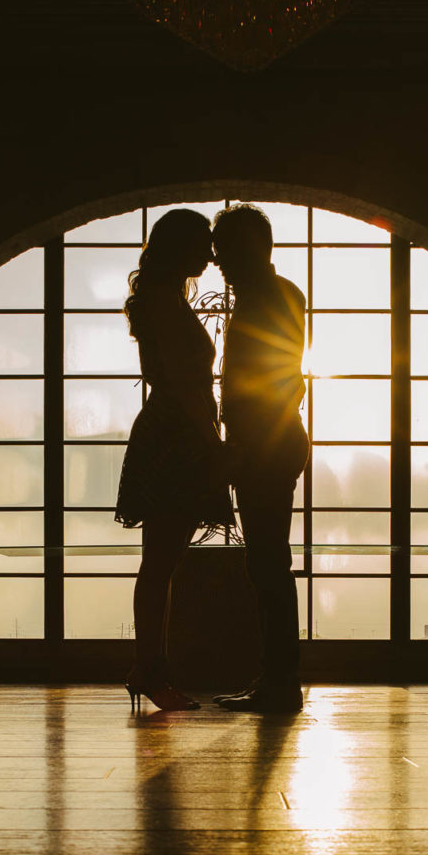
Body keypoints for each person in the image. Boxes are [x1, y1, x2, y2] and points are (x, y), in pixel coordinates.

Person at [116, 208, 233, 712]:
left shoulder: (162, 300)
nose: (210, 254)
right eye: (202, 244)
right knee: (160, 564)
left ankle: (150, 669)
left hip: (170, 432)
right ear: (179, 247)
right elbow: (186, 384)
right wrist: (210, 441)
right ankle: (150, 671)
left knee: (160, 564)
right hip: (177, 437)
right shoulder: (166, 303)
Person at [211, 204, 310, 713]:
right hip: (275, 441)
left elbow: (262, 382)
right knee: (270, 563)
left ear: (251, 249)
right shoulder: (283, 294)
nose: (218, 260)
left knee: (267, 565)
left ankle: (278, 681)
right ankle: (278, 678)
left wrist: (240, 446)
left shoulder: (261, 301)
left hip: (263, 445)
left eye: (225, 250)